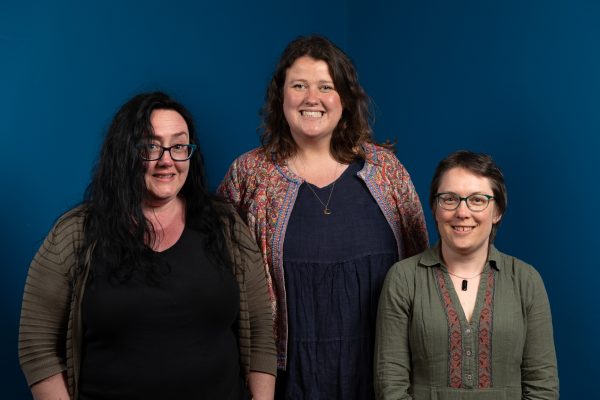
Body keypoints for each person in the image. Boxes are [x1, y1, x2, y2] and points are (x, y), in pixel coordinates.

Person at [18, 92, 277, 400]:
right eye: (150, 146)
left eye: (179, 146)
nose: (166, 160)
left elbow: (262, 334)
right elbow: (37, 343)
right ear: (125, 153)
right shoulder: (76, 234)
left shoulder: (227, 227)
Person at [218, 35, 429, 399]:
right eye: (298, 85)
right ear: (280, 97)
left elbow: (423, 271)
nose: (311, 98)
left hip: (381, 378)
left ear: (344, 98)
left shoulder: (386, 171)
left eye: (325, 87)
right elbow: (217, 275)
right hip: (285, 381)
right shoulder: (248, 176)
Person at [374, 150, 559, 399]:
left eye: (477, 200)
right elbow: (390, 385)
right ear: (435, 208)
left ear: (497, 212)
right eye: (450, 199)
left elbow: (542, 387)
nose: (462, 212)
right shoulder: (404, 279)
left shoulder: (526, 281)